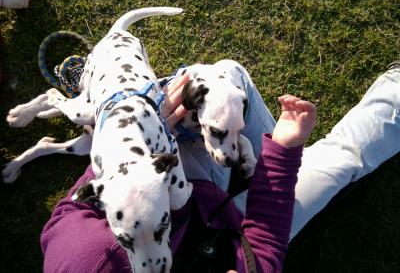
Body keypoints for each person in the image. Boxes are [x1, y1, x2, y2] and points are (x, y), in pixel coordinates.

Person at [40, 60, 400, 272]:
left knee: (224, 75)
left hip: (152, 181)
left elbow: (68, 213)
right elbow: (260, 248)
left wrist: (135, 131)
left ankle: (98, 84)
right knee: (339, 161)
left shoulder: (81, 259)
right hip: (225, 229)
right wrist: (283, 154)